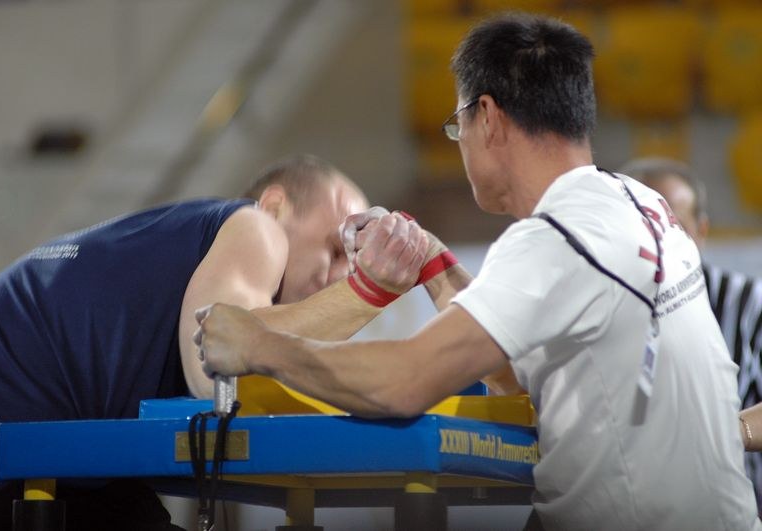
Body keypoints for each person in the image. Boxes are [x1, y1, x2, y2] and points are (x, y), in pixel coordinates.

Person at [194, 13, 761, 531]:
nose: (458, 142)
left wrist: (259, 342)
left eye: (455, 124)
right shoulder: (639, 202)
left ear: (486, 117)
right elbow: (515, 375)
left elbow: (402, 382)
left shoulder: (557, 237)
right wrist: (436, 266)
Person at [0, 153, 433, 530]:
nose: (337, 274)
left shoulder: (186, 244)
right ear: (275, 206)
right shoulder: (255, 228)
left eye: (348, 266)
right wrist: (370, 291)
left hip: (59, 456)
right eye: (334, 248)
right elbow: (215, 367)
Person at [621, 156, 762, 508]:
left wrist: (728, 432)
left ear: (701, 230)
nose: (654, 242)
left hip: (732, 504)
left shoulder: (747, 304)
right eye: (640, 227)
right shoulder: (602, 305)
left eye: (671, 228)